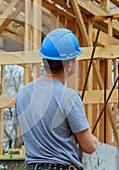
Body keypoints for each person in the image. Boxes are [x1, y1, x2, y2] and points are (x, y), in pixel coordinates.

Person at [14, 28, 98, 170]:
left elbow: (22, 139)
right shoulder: (69, 97)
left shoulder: (23, 94)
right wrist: (92, 139)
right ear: (70, 64)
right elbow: (89, 147)